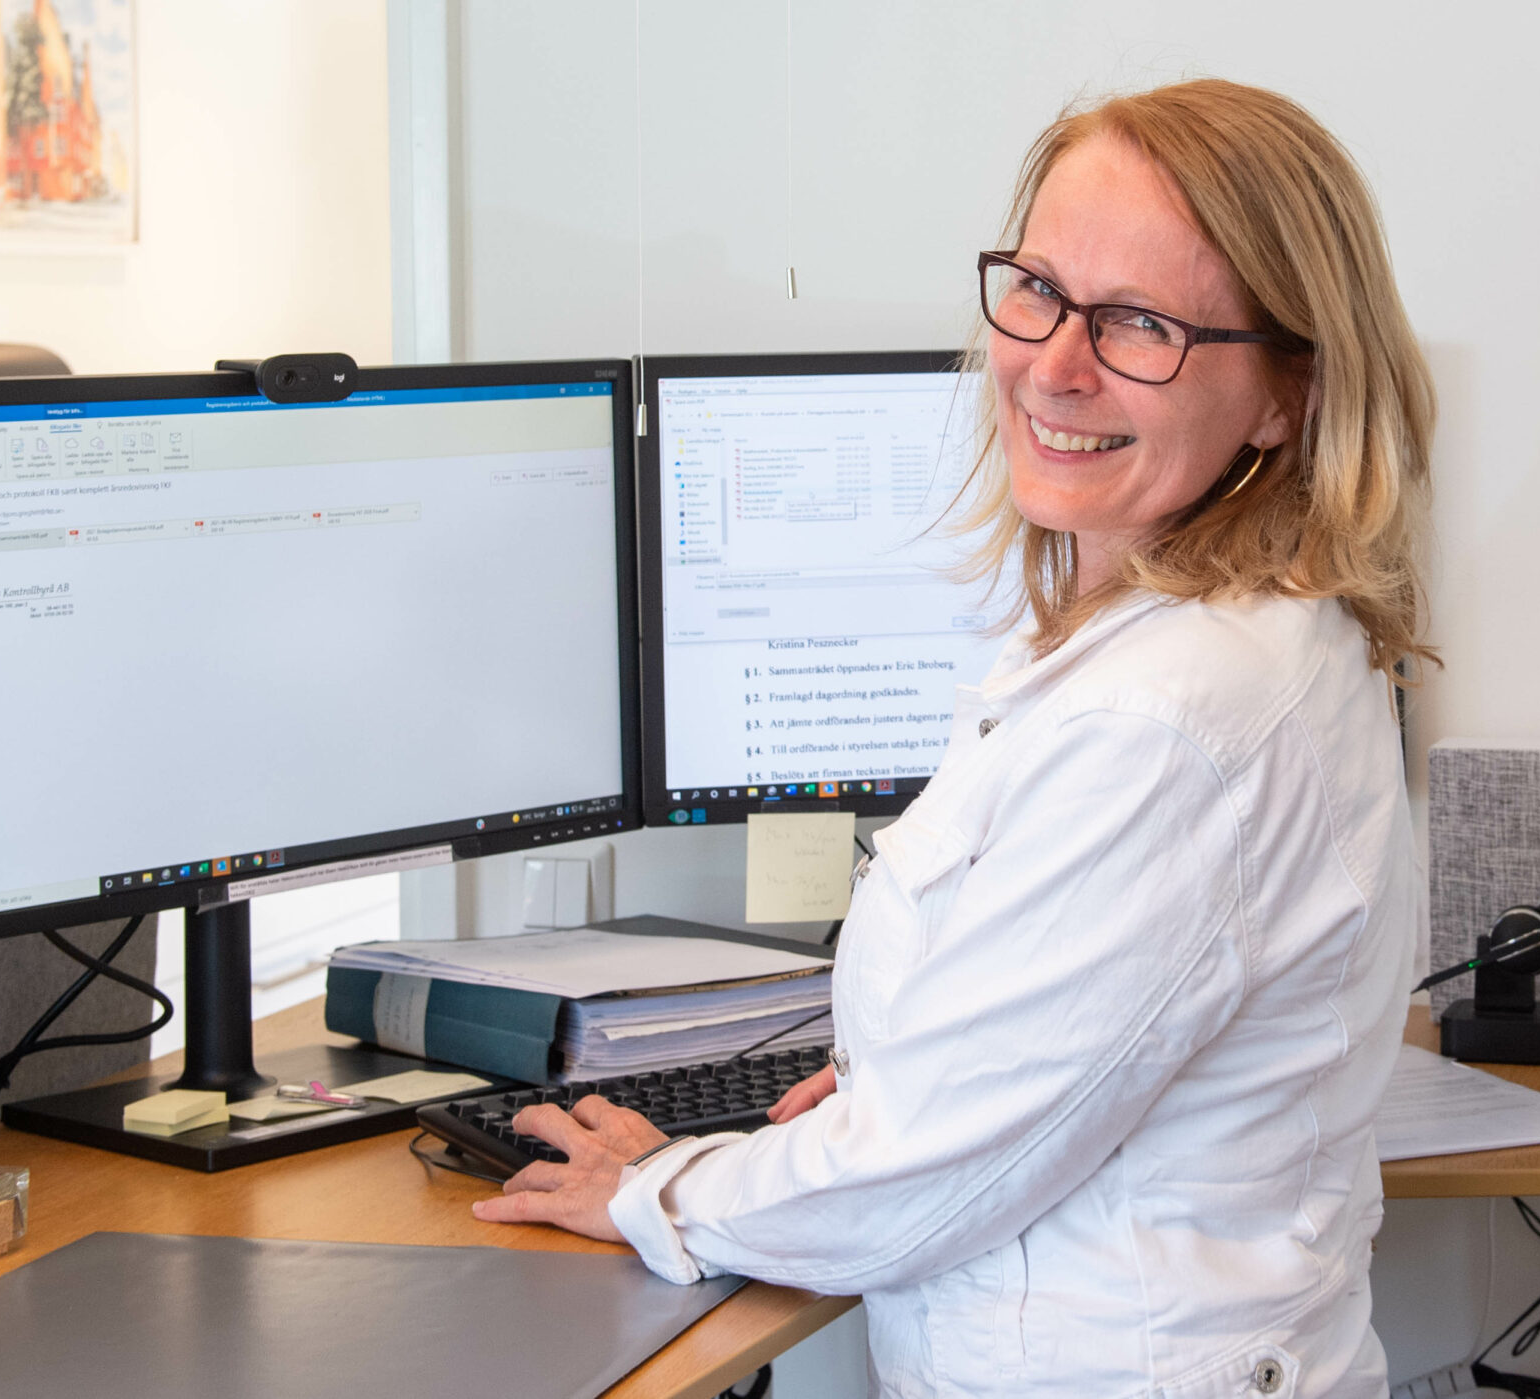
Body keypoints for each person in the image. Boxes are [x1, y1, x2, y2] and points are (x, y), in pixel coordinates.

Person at [474, 78, 1435, 1399]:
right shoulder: (1225, 638)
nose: (1056, 365)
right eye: (1039, 289)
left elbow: (911, 1189)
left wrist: (660, 1189)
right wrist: (915, 1080)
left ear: (1287, 393)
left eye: (1141, 324)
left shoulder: (1167, 717)